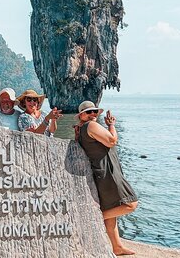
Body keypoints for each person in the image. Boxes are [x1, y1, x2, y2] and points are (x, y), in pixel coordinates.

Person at [74, 100, 138, 256]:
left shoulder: (82, 130)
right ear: (81, 115)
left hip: (102, 171)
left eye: (95, 111)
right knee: (131, 203)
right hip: (108, 173)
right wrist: (111, 126)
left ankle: (117, 246)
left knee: (112, 209)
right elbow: (111, 140)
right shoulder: (91, 125)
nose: (93, 114)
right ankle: (94, 218)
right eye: (88, 112)